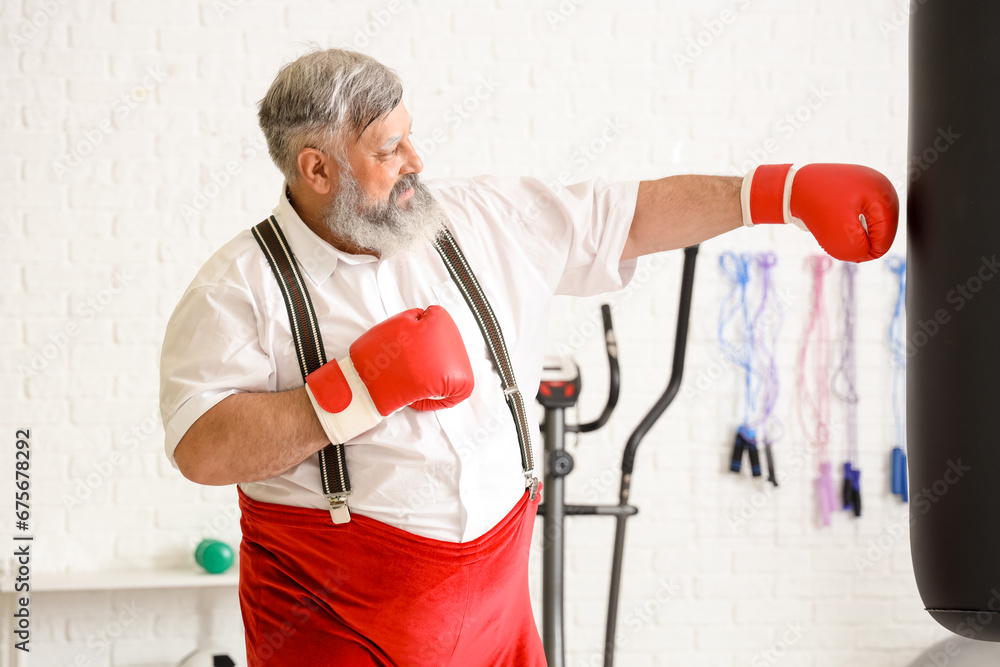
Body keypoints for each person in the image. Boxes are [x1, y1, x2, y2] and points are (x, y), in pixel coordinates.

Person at [159, 49, 898, 666]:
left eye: (410, 135)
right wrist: (351, 390)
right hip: (339, 623)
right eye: (389, 150)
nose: (418, 160)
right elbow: (200, 446)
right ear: (316, 171)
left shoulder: (479, 220)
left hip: (498, 610)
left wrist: (776, 193)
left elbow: (625, 215)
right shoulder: (239, 286)